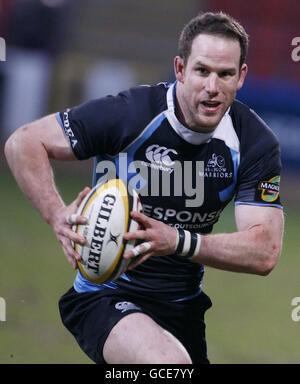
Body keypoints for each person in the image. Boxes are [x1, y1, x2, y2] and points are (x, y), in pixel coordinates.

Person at [5, 12, 284, 364]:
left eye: (225, 74)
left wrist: (177, 240)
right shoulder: (130, 113)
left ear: (241, 76)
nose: (212, 87)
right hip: (104, 295)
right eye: (202, 71)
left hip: (182, 307)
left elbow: (264, 251)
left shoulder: (254, 142)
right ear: (180, 69)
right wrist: (57, 214)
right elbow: (24, 143)